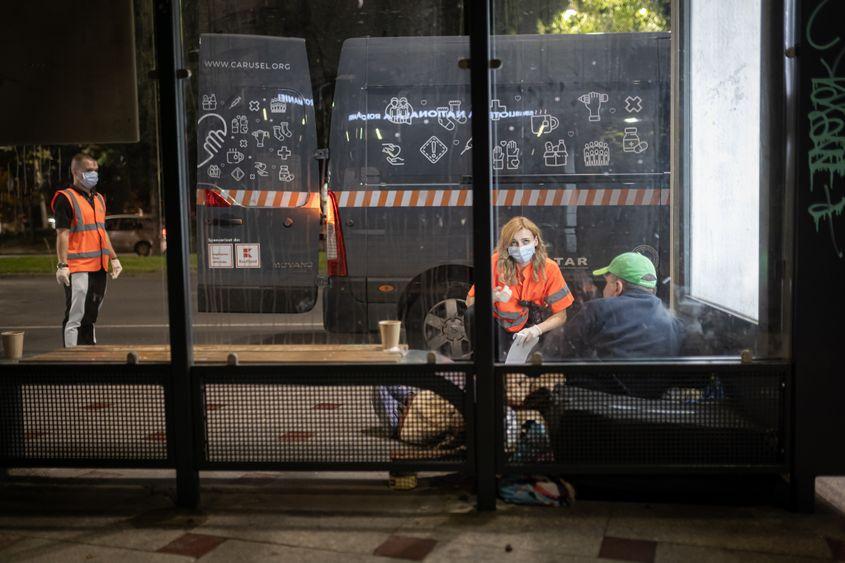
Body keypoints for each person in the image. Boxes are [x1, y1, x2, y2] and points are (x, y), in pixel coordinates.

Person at [548, 252, 685, 397]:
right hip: (652, 411)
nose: (603, 289)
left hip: (596, 407)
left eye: (607, 283)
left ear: (617, 287)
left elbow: (557, 351)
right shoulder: (674, 323)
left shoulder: (596, 310)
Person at [465, 216, 575, 359]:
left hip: (532, 329)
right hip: (498, 328)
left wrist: (536, 330)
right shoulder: (494, 262)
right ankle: (483, 357)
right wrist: (490, 298)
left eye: (526, 241)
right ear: (507, 247)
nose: (520, 248)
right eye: (514, 243)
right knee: (472, 314)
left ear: (535, 241)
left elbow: (561, 316)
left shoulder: (549, 268)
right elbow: (469, 303)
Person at [51, 154, 123, 347]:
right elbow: (62, 234)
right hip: (78, 267)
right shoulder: (65, 198)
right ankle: (71, 361)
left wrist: (114, 259)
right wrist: (62, 265)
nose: (94, 174)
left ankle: (89, 354)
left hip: (99, 266)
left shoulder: (98, 198)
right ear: (76, 172)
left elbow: (101, 232)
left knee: (91, 315)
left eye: (96, 170)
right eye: (89, 170)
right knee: (75, 316)